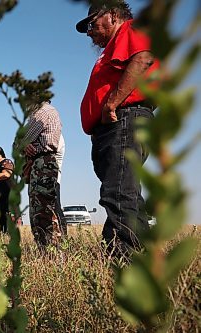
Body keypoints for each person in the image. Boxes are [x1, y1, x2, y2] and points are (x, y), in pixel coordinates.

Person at [76, 1, 159, 257]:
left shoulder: (131, 29)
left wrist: (111, 103)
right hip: (113, 126)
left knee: (119, 192)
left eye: (92, 23)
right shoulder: (113, 45)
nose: (90, 31)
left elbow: (144, 57)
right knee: (125, 192)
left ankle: (124, 257)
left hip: (123, 119)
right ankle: (138, 254)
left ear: (112, 15)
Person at [21, 101, 63, 247]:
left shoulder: (42, 112)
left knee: (40, 209)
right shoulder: (47, 111)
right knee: (44, 207)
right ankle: (49, 248)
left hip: (42, 163)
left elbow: (21, 140)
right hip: (42, 163)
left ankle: (48, 248)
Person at [55, 134, 68, 236]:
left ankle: (63, 237)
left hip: (52, 179)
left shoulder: (56, 135)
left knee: (55, 207)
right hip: (47, 178)